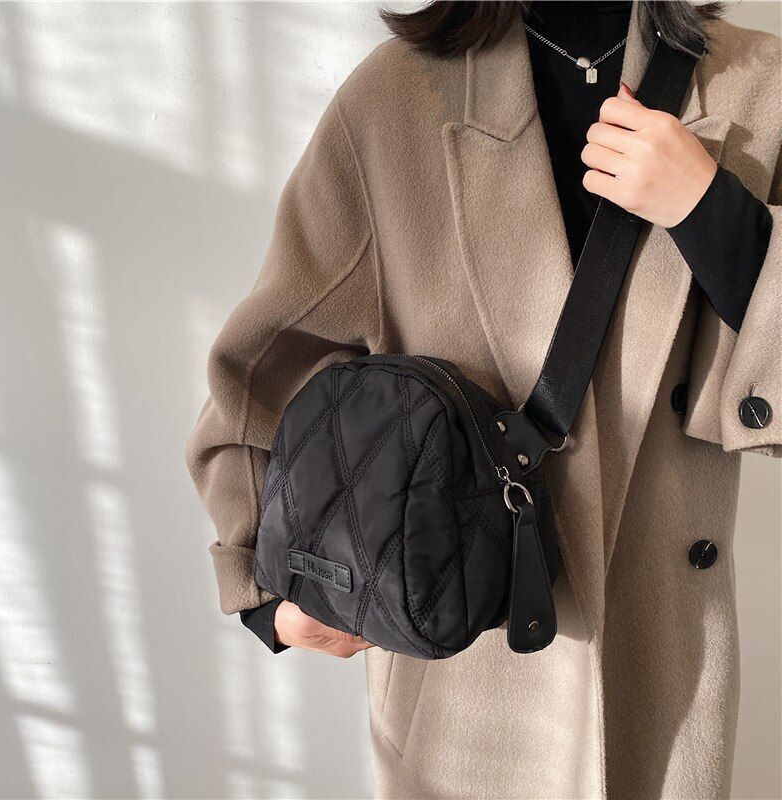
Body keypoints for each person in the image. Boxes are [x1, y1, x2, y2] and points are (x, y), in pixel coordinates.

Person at [186, 2, 780, 797]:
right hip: (464, 683)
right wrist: (266, 592)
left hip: (664, 666)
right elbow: (261, 367)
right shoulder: (395, 99)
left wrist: (713, 214)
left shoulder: (759, 88)